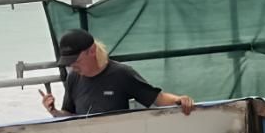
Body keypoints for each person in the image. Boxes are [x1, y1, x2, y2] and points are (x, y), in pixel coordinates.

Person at [40, 29, 196, 118]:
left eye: (76, 60)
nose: (72, 66)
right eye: (68, 62)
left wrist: (179, 100)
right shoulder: (73, 78)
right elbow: (70, 115)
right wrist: (54, 111)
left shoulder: (121, 74)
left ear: (92, 51)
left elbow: (157, 98)